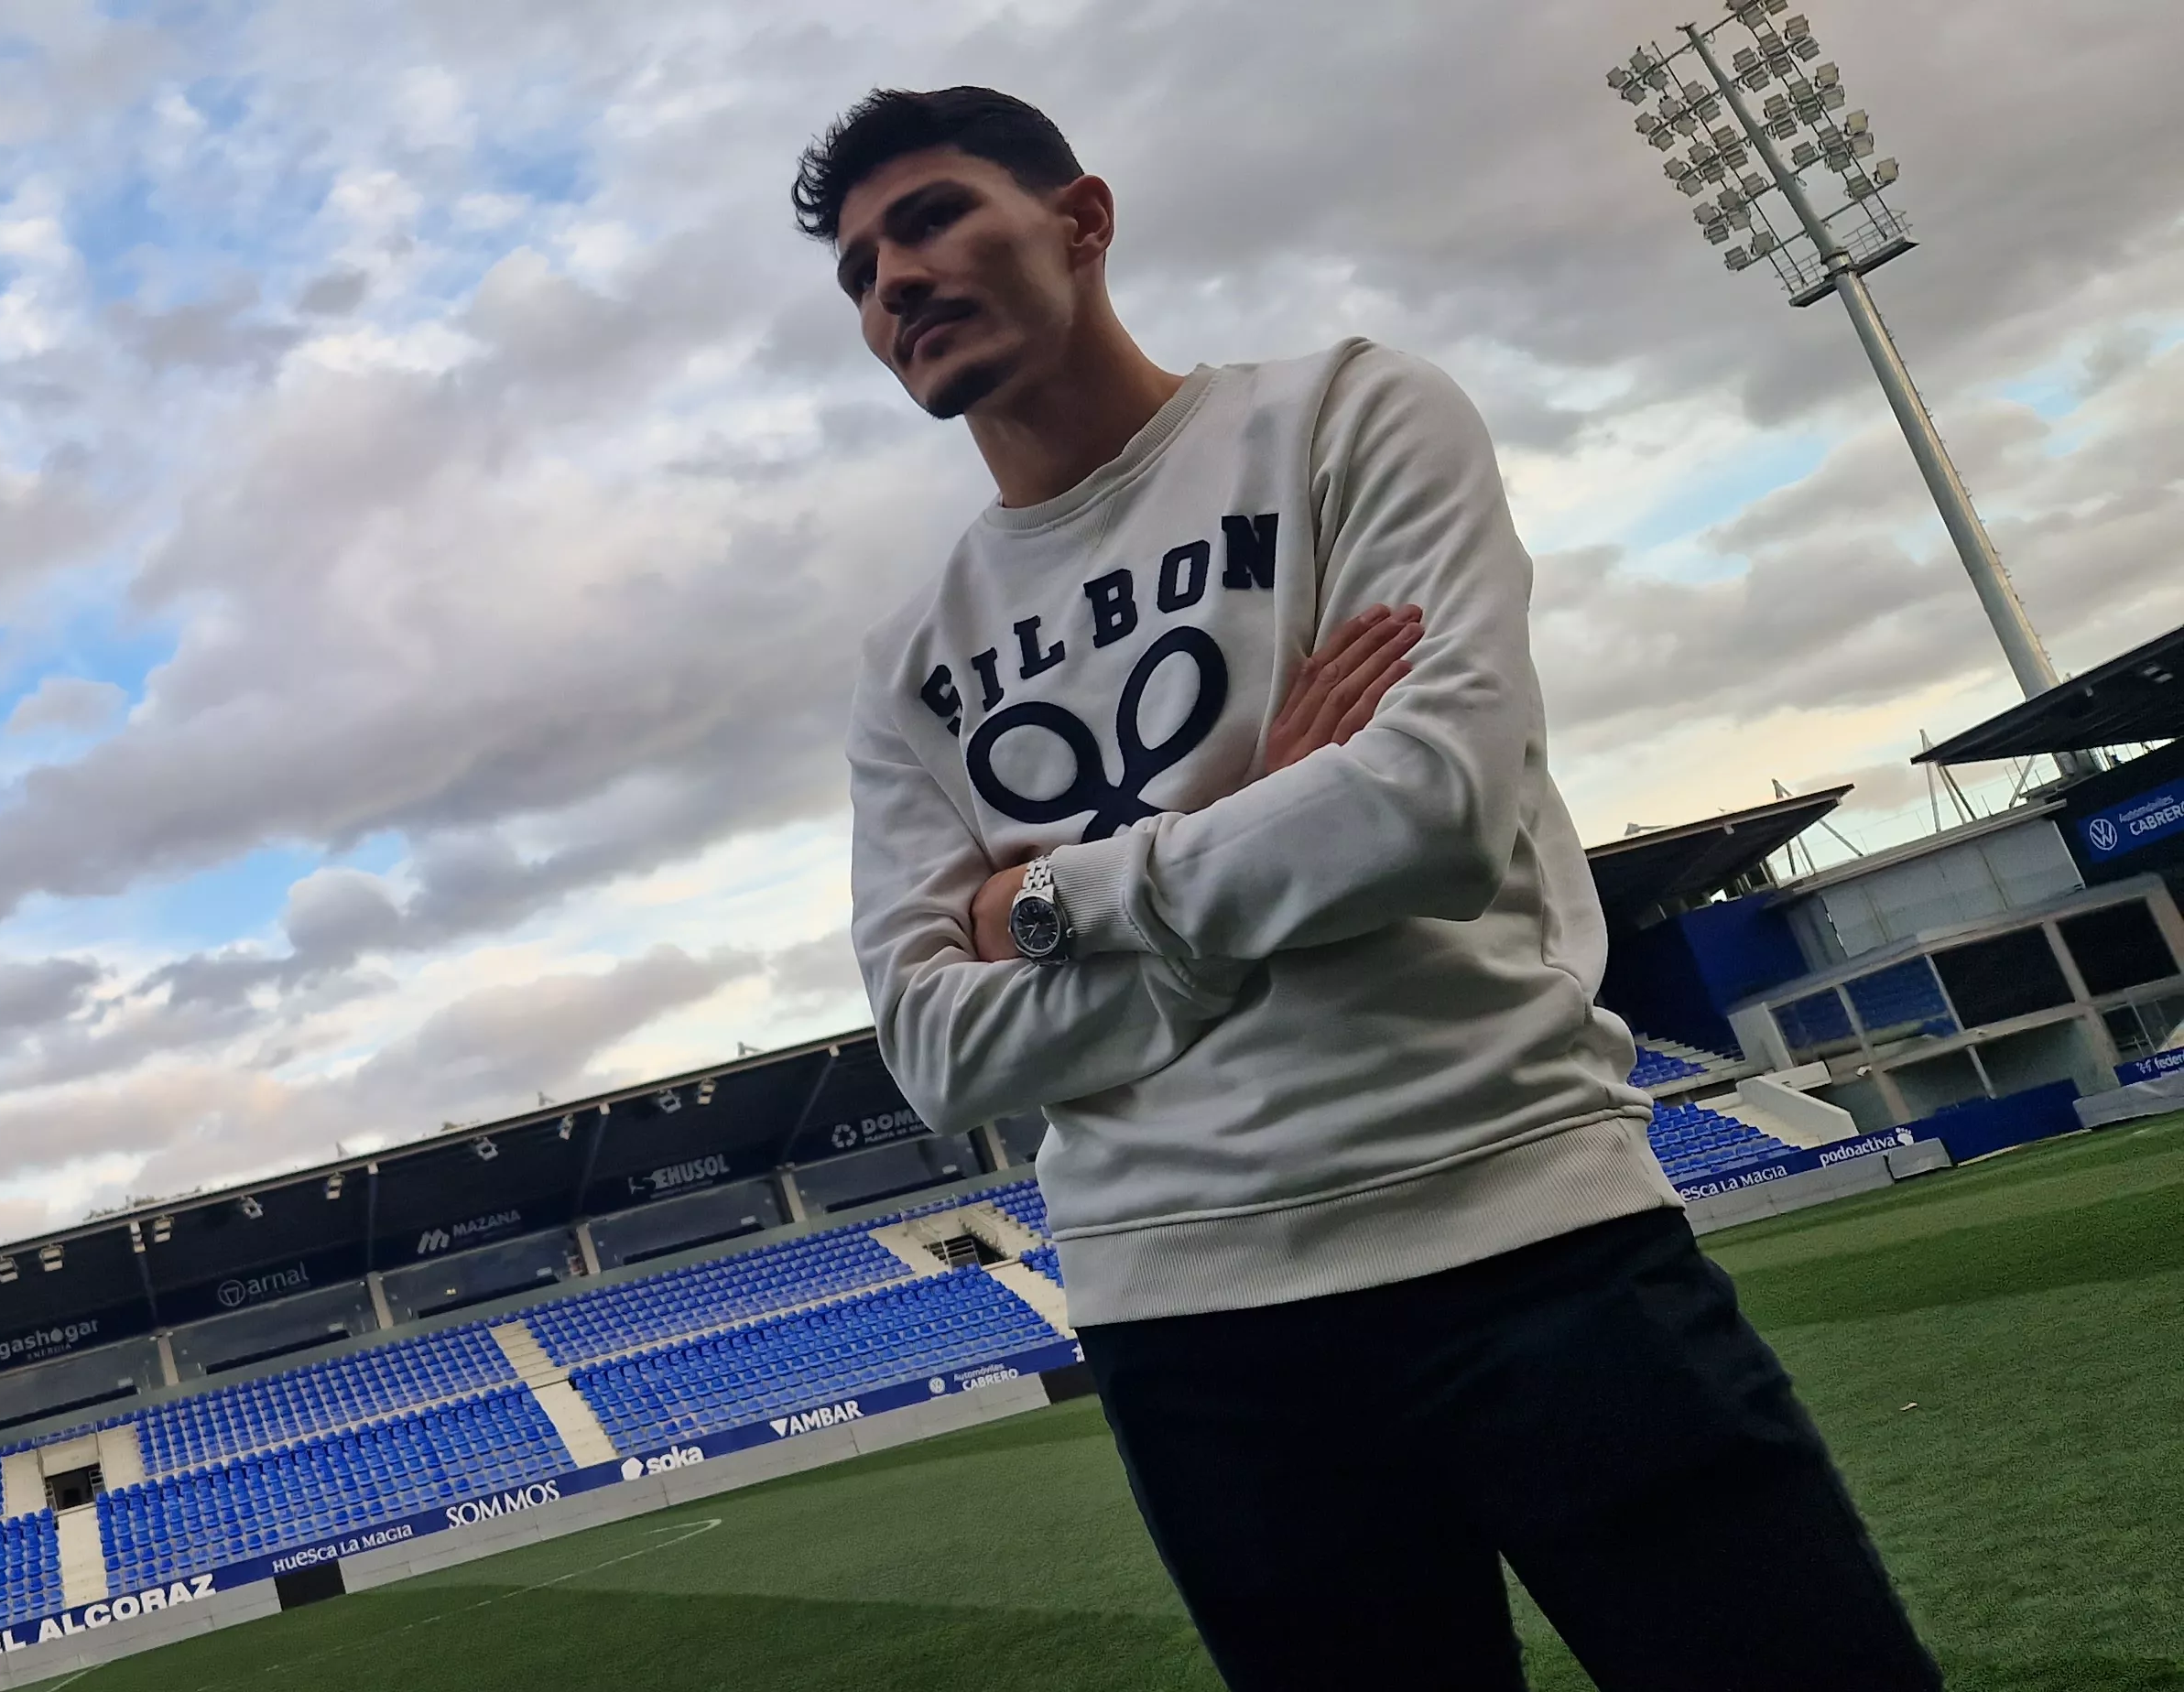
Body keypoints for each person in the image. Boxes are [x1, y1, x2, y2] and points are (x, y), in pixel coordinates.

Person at [802, 87, 1939, 1690]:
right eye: (857, 271)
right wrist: (1256, 823)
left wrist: (1052, 901)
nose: (893, 282)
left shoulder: (1346, 416)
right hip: (1189, 1329)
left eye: (930, 219)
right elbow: (937, 1048)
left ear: (1082, 218)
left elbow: (1427, 807)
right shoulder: (908, 662)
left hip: (1530, 1227)